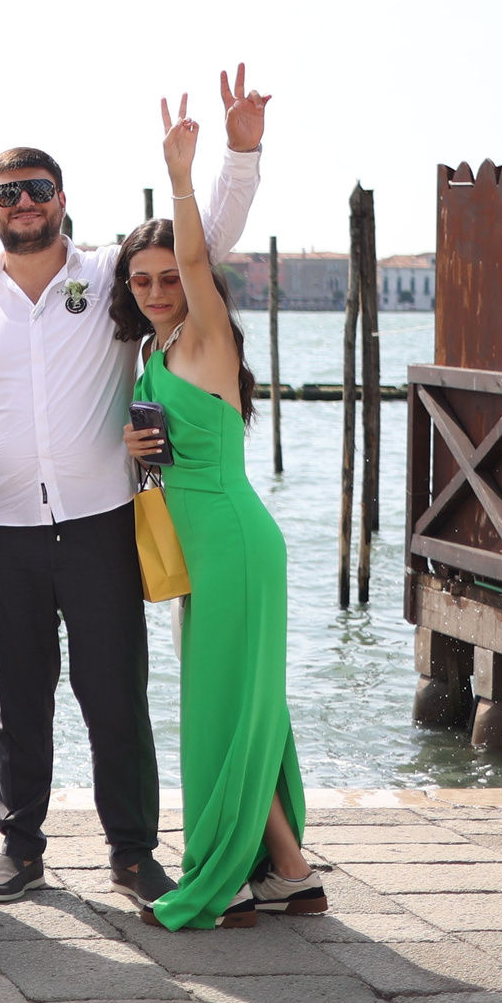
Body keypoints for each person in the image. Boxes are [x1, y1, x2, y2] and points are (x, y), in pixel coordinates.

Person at [0, 67, 270, 906]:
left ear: (58, 197)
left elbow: (202, 249)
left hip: (99, 522)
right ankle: (20, 846)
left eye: (37, 187)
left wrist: (240, 152)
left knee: (114, 692)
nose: (23, 201)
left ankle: (130, 849)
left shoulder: (109, 279)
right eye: (7, 191)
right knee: (19, 698)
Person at [122, 93, 321, 930]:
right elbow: (164, 449)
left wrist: (185, 173)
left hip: (233, 541)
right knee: (245, 705)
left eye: (170, 278)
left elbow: (200, 259)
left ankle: (225, 873)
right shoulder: (156, 350)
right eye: (143, 280)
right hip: (202, 545)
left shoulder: (208, 337)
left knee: (221, 707)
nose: (160, 289)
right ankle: (288, 869)